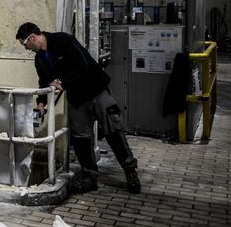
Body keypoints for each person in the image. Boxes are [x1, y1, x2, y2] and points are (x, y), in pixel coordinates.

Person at [15, 22, 141, 194]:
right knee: (81, 138)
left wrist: (63, 83)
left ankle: (130, 171)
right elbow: (44, 81)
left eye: (25, 44)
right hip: (76, 99)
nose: (26, 48)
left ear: (33, 38)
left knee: (113, 131)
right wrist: (41, 102)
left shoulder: (63, 40)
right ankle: (90, 177)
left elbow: (82, 66)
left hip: (96, 91)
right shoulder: (39, 60)